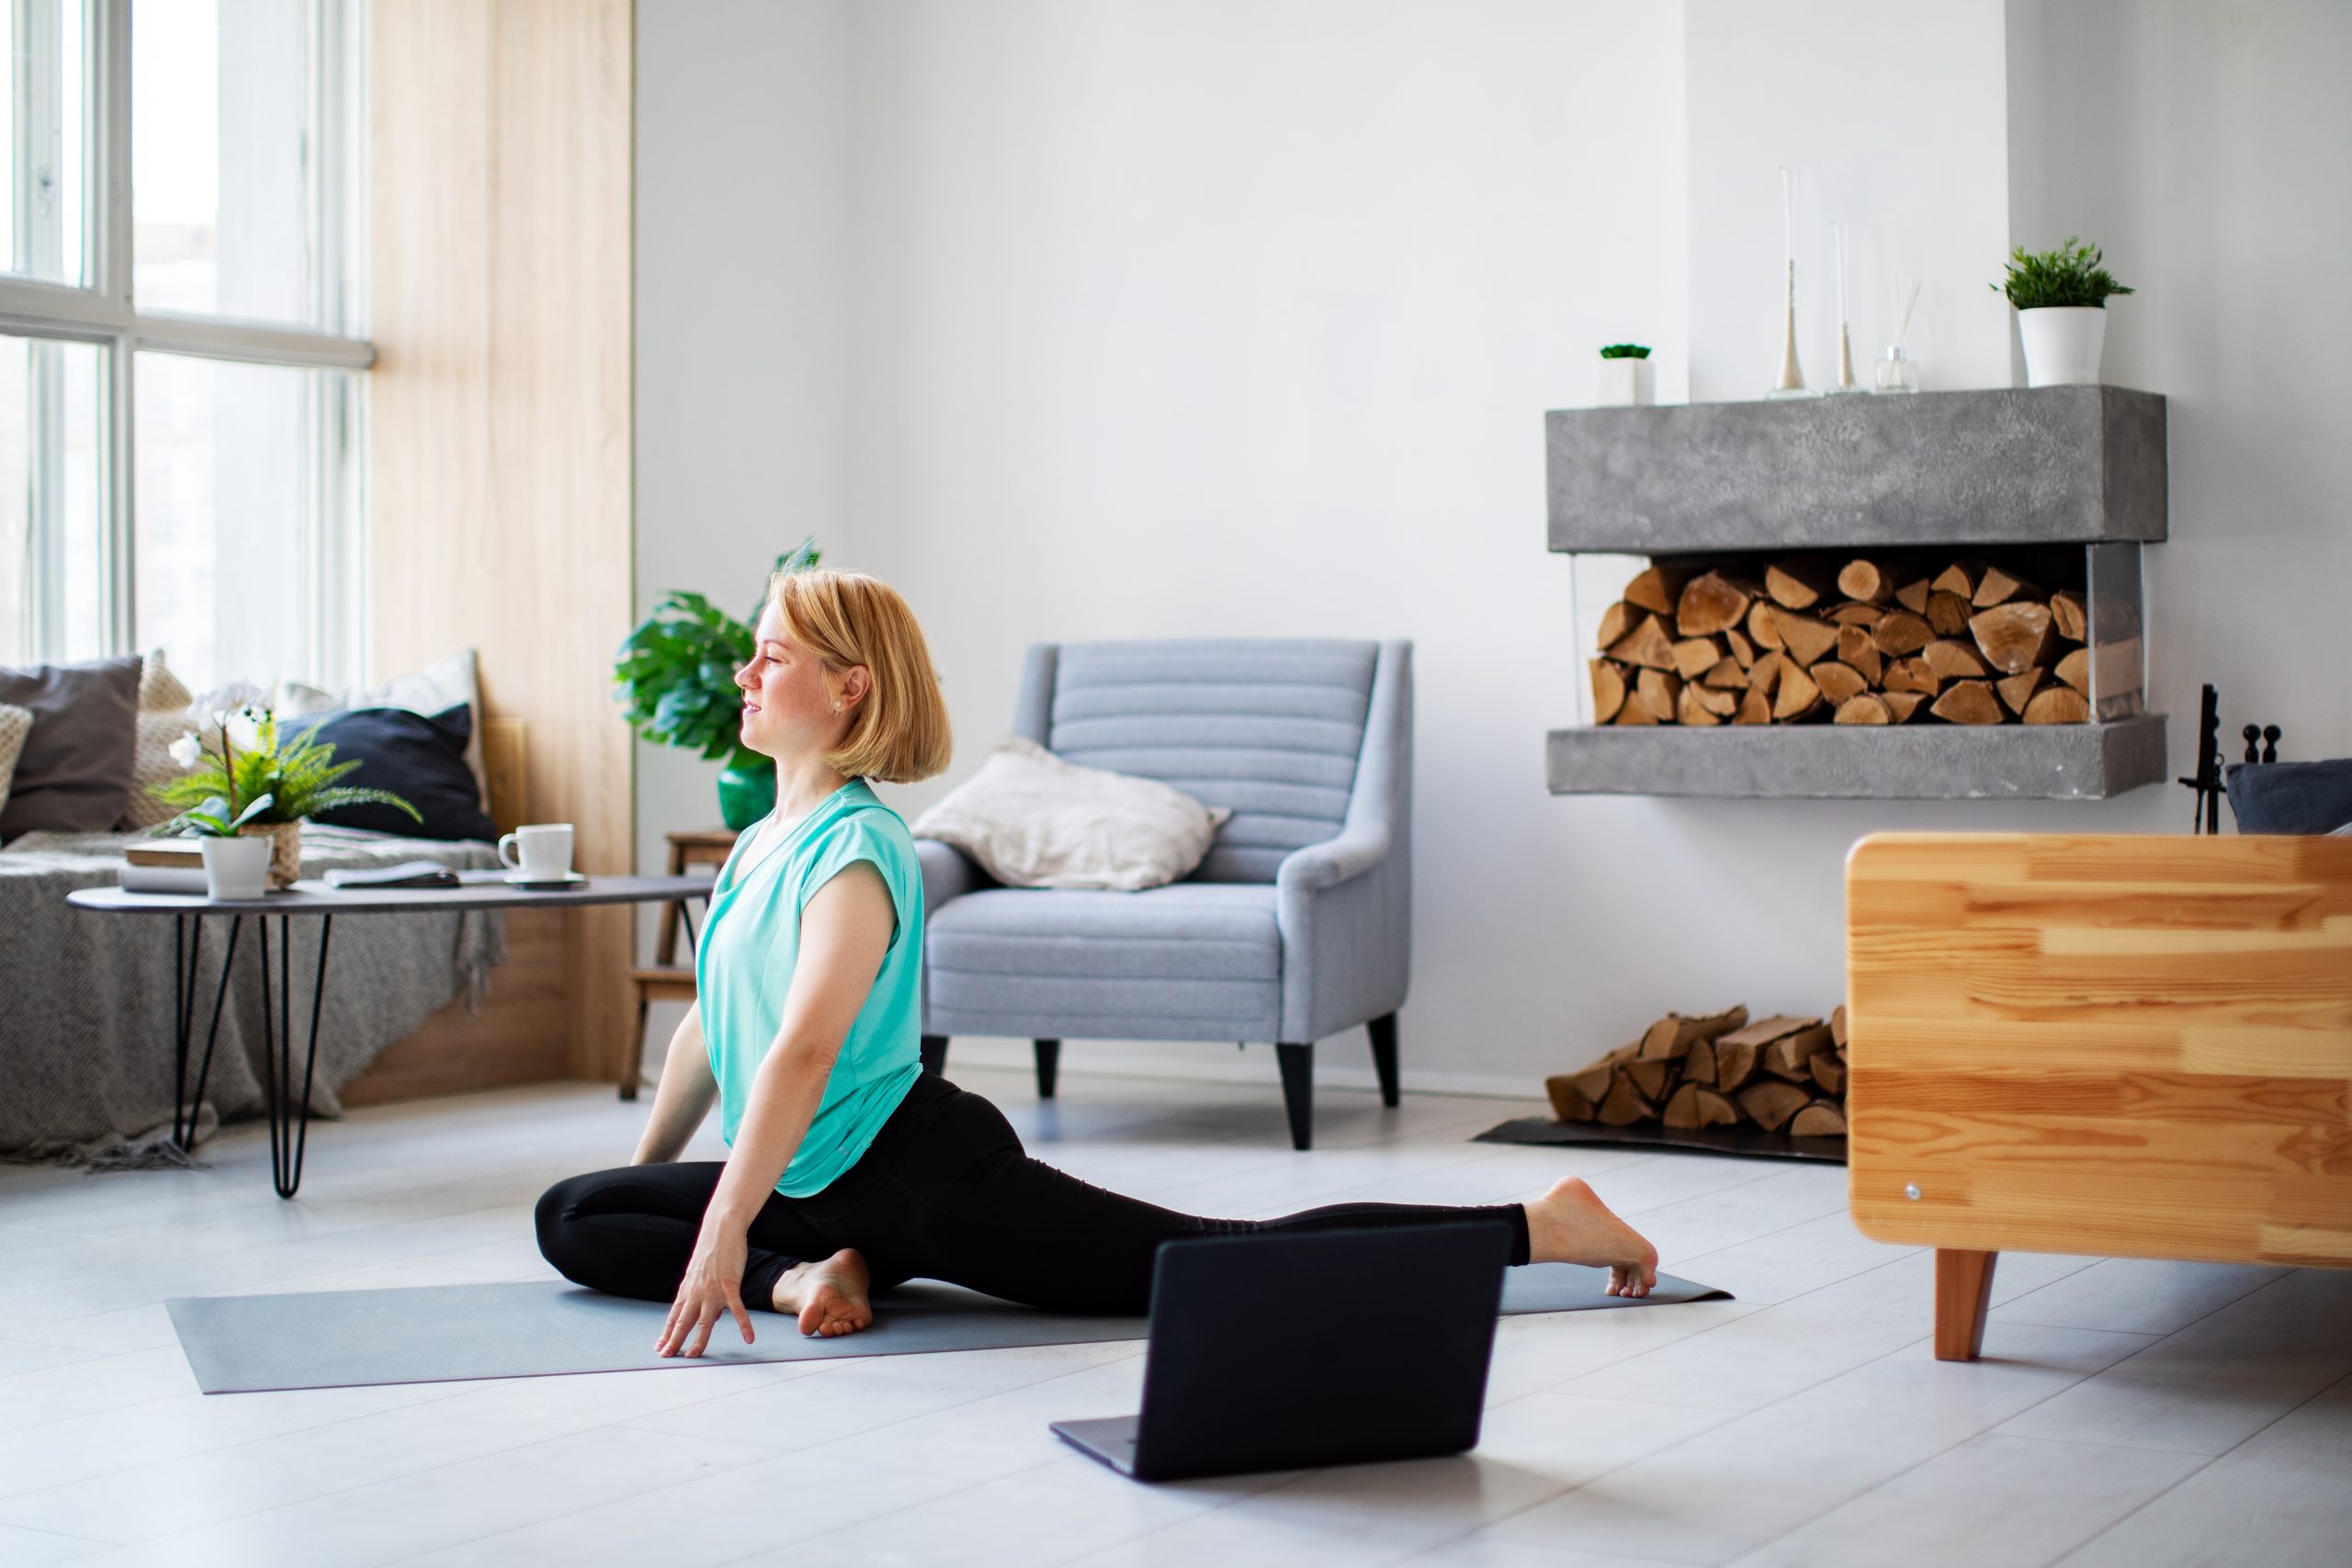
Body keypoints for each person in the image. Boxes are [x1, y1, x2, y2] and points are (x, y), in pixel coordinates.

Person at [536, 567, 1660, 1359]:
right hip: (806, 1186)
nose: (743, 673)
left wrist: (719, 1227)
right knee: (578, 1214)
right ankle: (813, 1274)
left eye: (768, 656)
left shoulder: (862, 848)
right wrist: (668, 1189)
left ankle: (1536, 1223)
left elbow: (802, 1047)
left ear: (848, 688)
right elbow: (707, 1030)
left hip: (918, 1176)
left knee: (1216, 1262)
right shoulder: (757, 843)